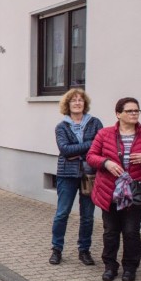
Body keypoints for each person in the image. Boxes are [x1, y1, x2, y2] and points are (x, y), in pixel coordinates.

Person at [87, 97, 141, 281]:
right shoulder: (105, 134)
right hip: (109, 191)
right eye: (130, 111)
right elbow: (91, 156)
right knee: (110, 231)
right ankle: (110, 266)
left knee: (131, 231)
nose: (134, 114)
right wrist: (106, 163)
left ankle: (130, 268)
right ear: (118, 114)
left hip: (136, 191)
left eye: (136, 111)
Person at [50, 89, 103, 266]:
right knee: (62, 213)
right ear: (68, 104)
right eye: (73, 100)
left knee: (87, 215)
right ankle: (56, 249)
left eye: (80, 100)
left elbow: (100, 145)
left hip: (90, 174)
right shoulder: (61, 126)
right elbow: (65, 150)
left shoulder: (95, 123)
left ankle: (84, 250)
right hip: (67, 174)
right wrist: (88, 148)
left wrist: (77, 151)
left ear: (84, 103)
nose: (77, 103)